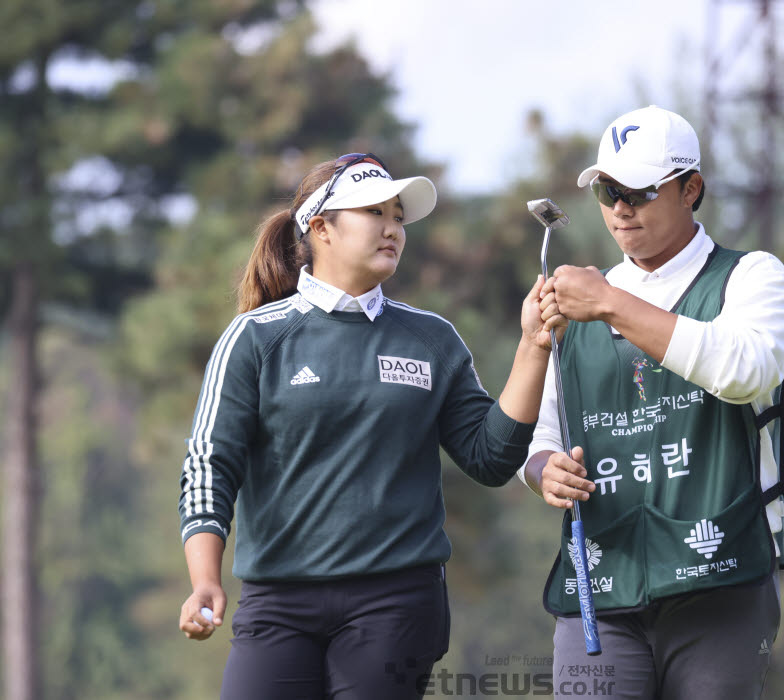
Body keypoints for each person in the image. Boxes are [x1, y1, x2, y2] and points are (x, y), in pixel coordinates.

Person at [177, 152, 563, 700]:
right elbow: (209, 465)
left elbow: (491, 457)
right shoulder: (255, 338)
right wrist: (205, 579)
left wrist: (532, 347)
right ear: (320, 228)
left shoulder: (431, 339)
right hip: (278, 603)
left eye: (399, 217)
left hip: (398, 600)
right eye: (373, 212)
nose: (392, 229)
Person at [519, 106, 784, 699]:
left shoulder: (751, 276)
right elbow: (540, 436)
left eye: (640, 191)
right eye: (607, 190)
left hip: (720, 578)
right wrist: (546, 472)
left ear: (691, 188)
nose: (620, 208)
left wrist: (611, 303)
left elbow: (745, 371)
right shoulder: (578, 301)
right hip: (602, 577)